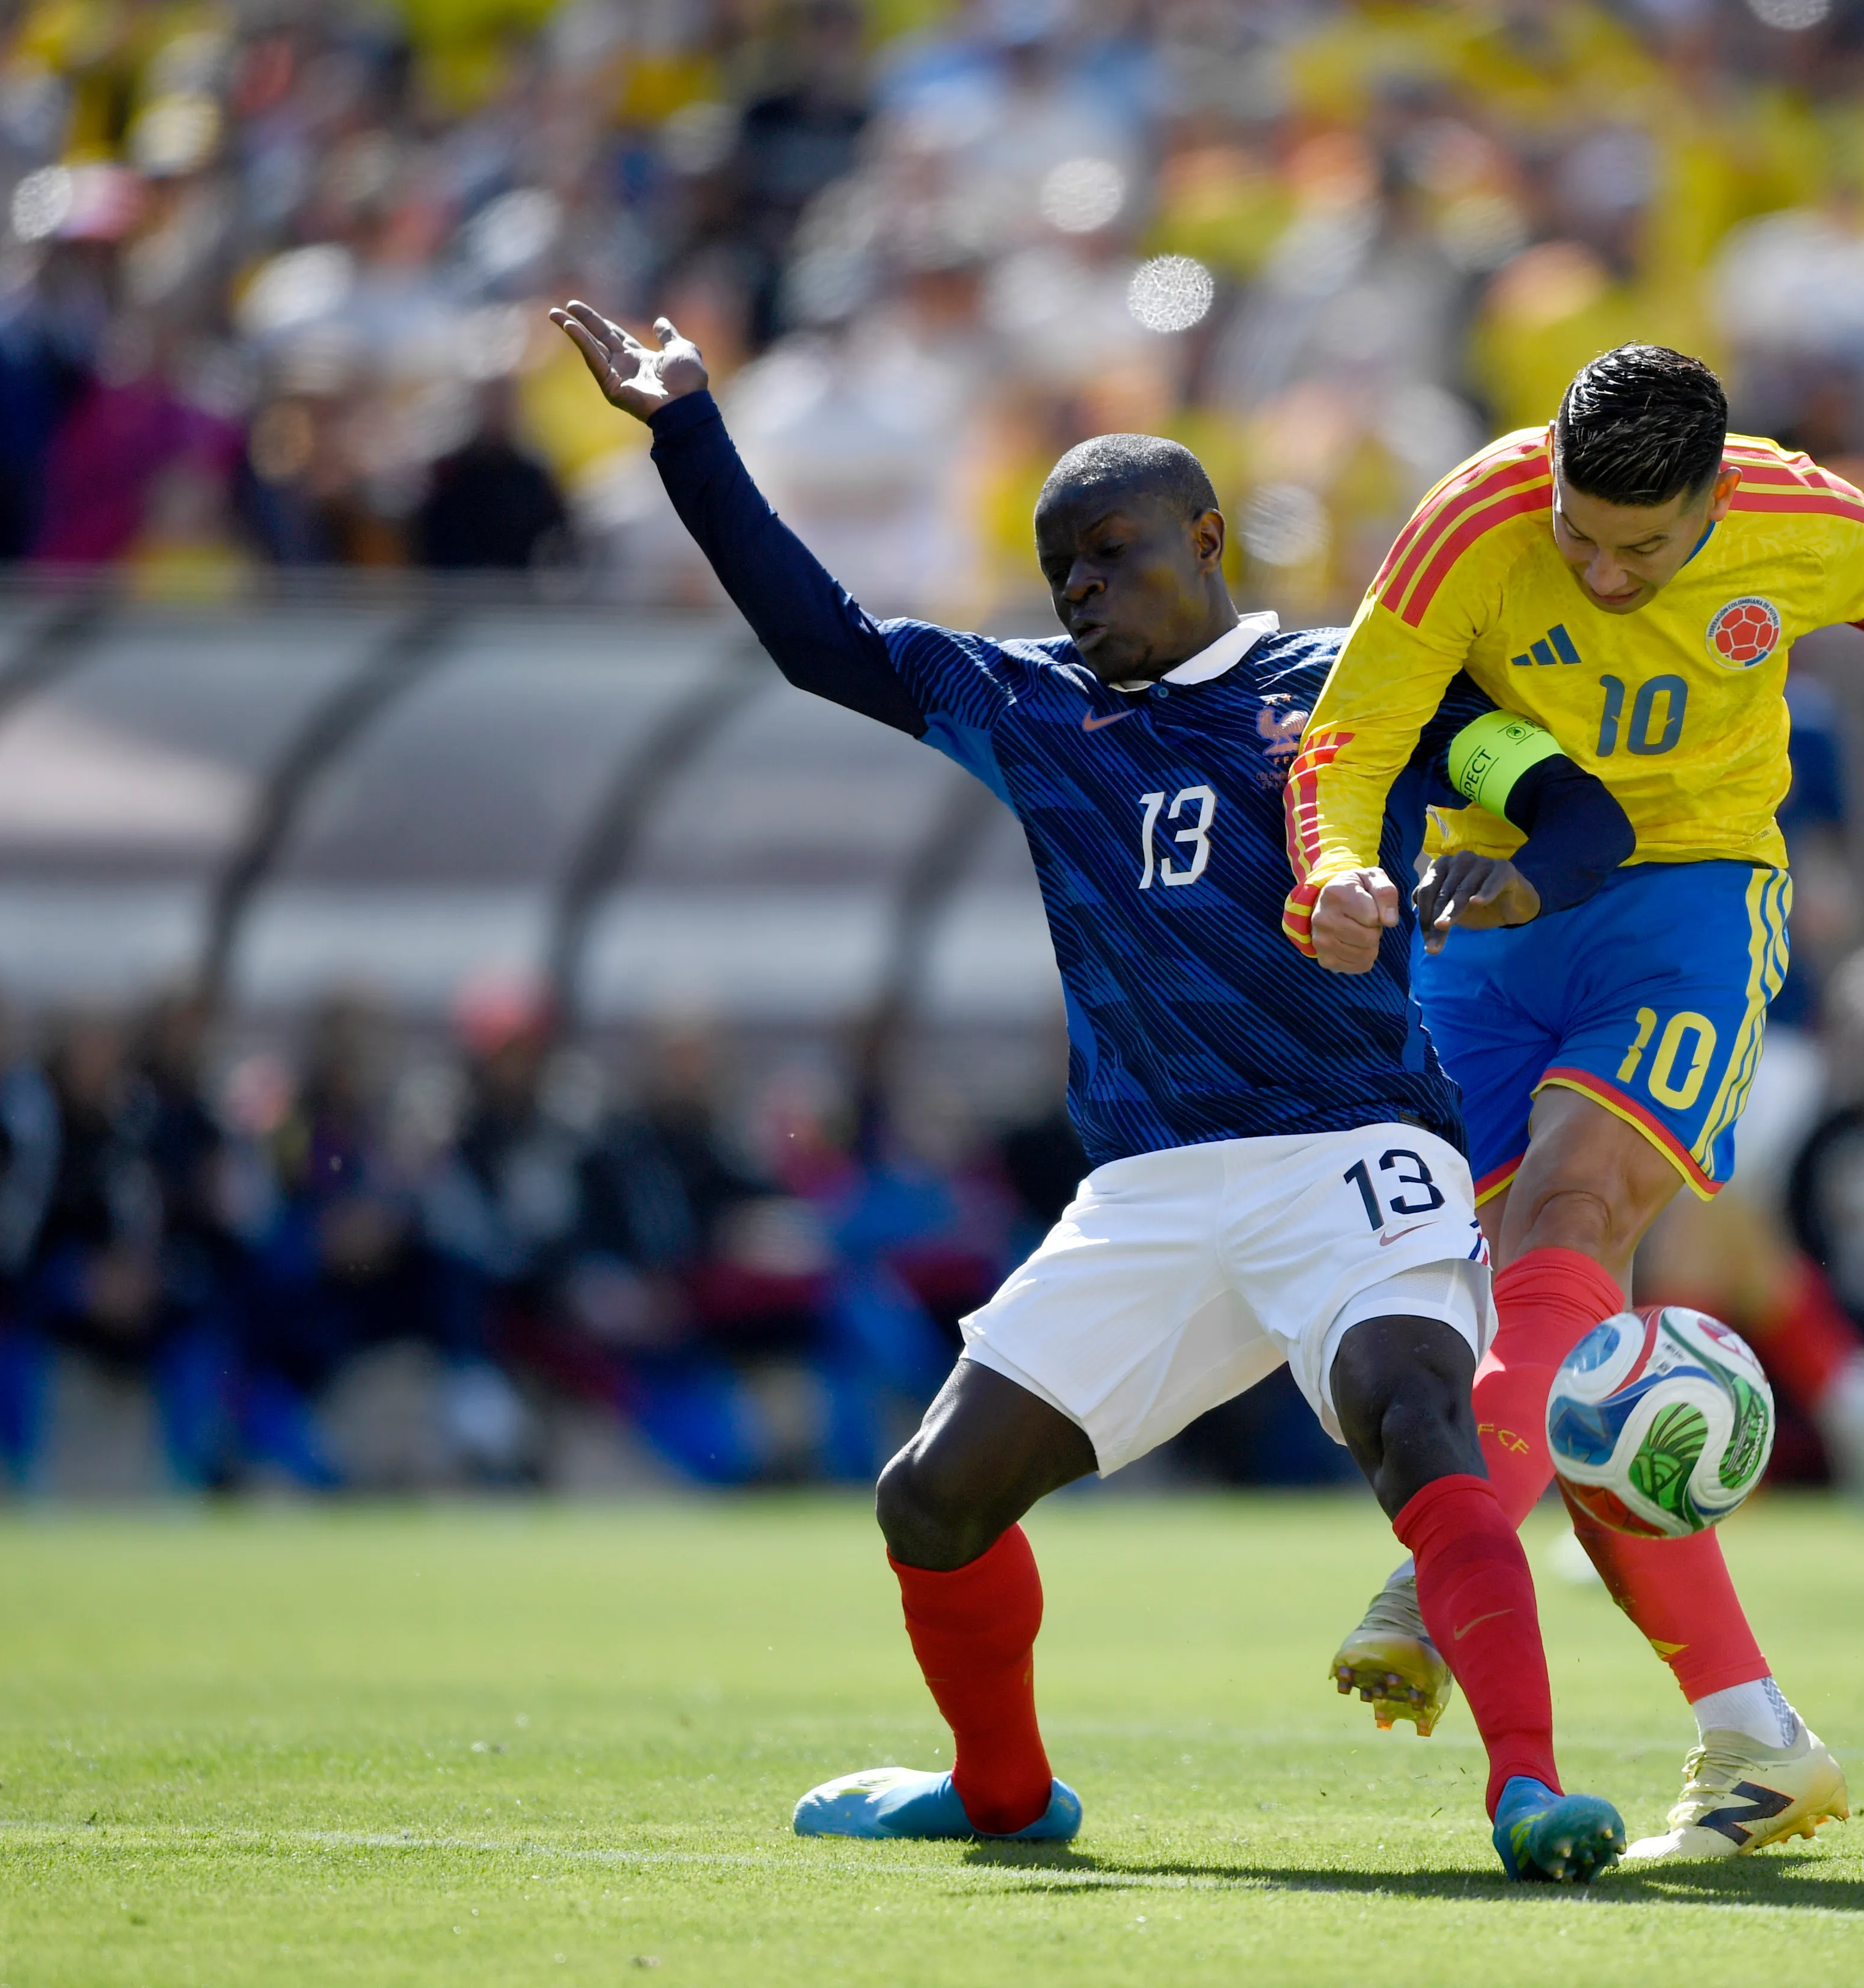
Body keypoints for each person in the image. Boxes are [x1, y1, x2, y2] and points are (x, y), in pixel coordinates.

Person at [550, 299, 1636, 1880]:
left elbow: (1573, 815)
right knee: (931, 1506)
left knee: (1412, 1414)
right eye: (1061, 568)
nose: (1082, 589)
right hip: (1148, 1190)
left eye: (1114, 553)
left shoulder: (1363, 683)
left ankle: (1527, 1790)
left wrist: (1503, 886)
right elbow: (822, 645)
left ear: (1207, 535)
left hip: (1351, 1149)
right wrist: (690, 435)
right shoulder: (1035, 706)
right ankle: (1003, 1794)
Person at [1287, 342, 1864, 1861]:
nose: (1597, 566)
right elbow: (1357, 722)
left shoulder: (1806, 523)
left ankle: (1446, 1563)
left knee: (1569, 1216)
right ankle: (1757, 1737)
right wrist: (1333, 865)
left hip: (1693, 908)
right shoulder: (1475, 517)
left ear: (1715, 499)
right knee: (1549, 1344)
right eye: (1579, 532)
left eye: (1640, 548)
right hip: (1487, 928)